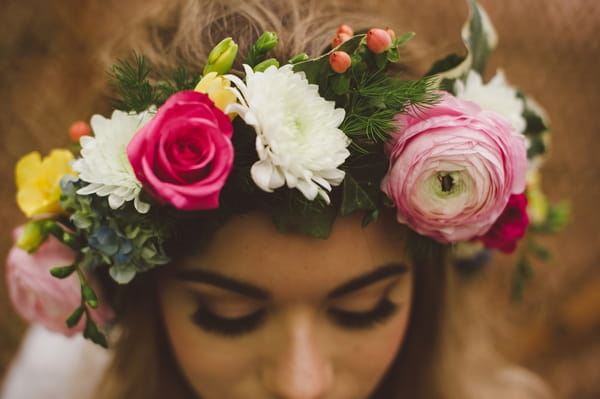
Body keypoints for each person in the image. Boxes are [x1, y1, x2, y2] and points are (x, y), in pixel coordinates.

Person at [1, 0, 565, 398]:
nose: (302, 383)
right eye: (229, 317)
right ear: (141, 300)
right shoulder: (62, 385)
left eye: (363, 311)